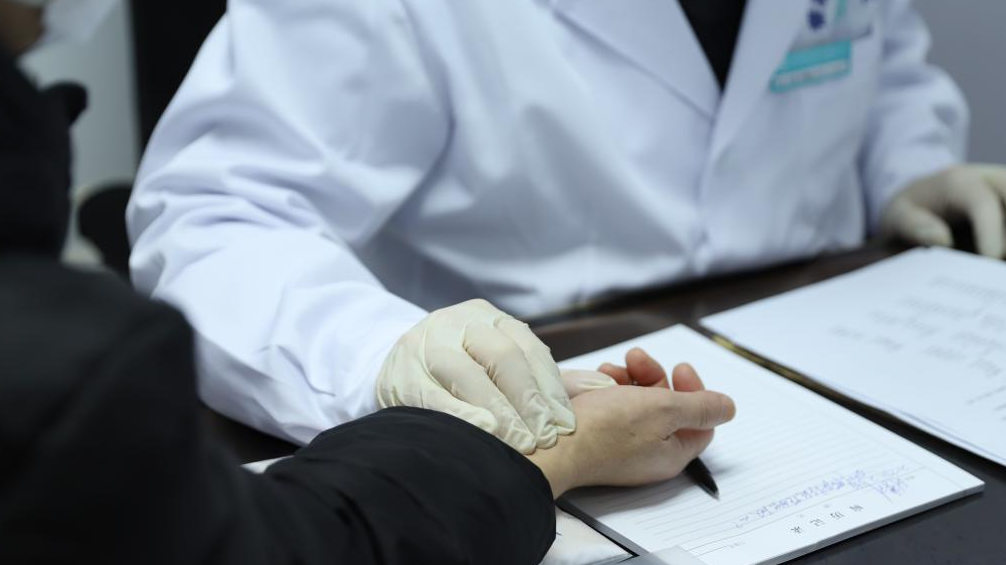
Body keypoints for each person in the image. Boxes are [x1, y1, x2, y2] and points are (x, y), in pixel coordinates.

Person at [0, 11, 737, 564]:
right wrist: (388, 356)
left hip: (756, 320)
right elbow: (217, 212)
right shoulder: (70, 391)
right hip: (471, 386)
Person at [127, 0, 1005, 449]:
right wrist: (375, 355)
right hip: (540, 400)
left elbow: (879, 58)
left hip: (835, 353)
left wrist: (909, 166)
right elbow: (215, 213)